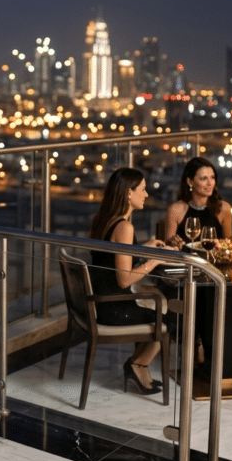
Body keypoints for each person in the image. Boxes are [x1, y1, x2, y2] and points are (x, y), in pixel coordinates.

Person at [88, 167, 168, 395]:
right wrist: (153, 260)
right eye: (143, 190)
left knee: (159, 313)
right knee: (169, 320)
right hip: (114, 308)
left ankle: (137, 365)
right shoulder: (124, 227)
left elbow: (111, 260)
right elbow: (124, 280)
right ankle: (137, 365)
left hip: (101, 302)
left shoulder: (104, 220)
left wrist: (143, 249)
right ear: (128, 193)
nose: (146, 195)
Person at [163, 157, 232, 365]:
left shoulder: (223, 209)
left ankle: (211, 351)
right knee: (198, 292)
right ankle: (197, 344)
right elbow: (168, 248)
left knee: (212, 292)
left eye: (212, 177)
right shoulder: (176, 210)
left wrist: (229, 243)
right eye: (203, 178)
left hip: (215, 272)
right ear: (190, 182)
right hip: (186, 273)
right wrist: (173, 241)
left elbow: (229, 247)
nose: (210, 183)